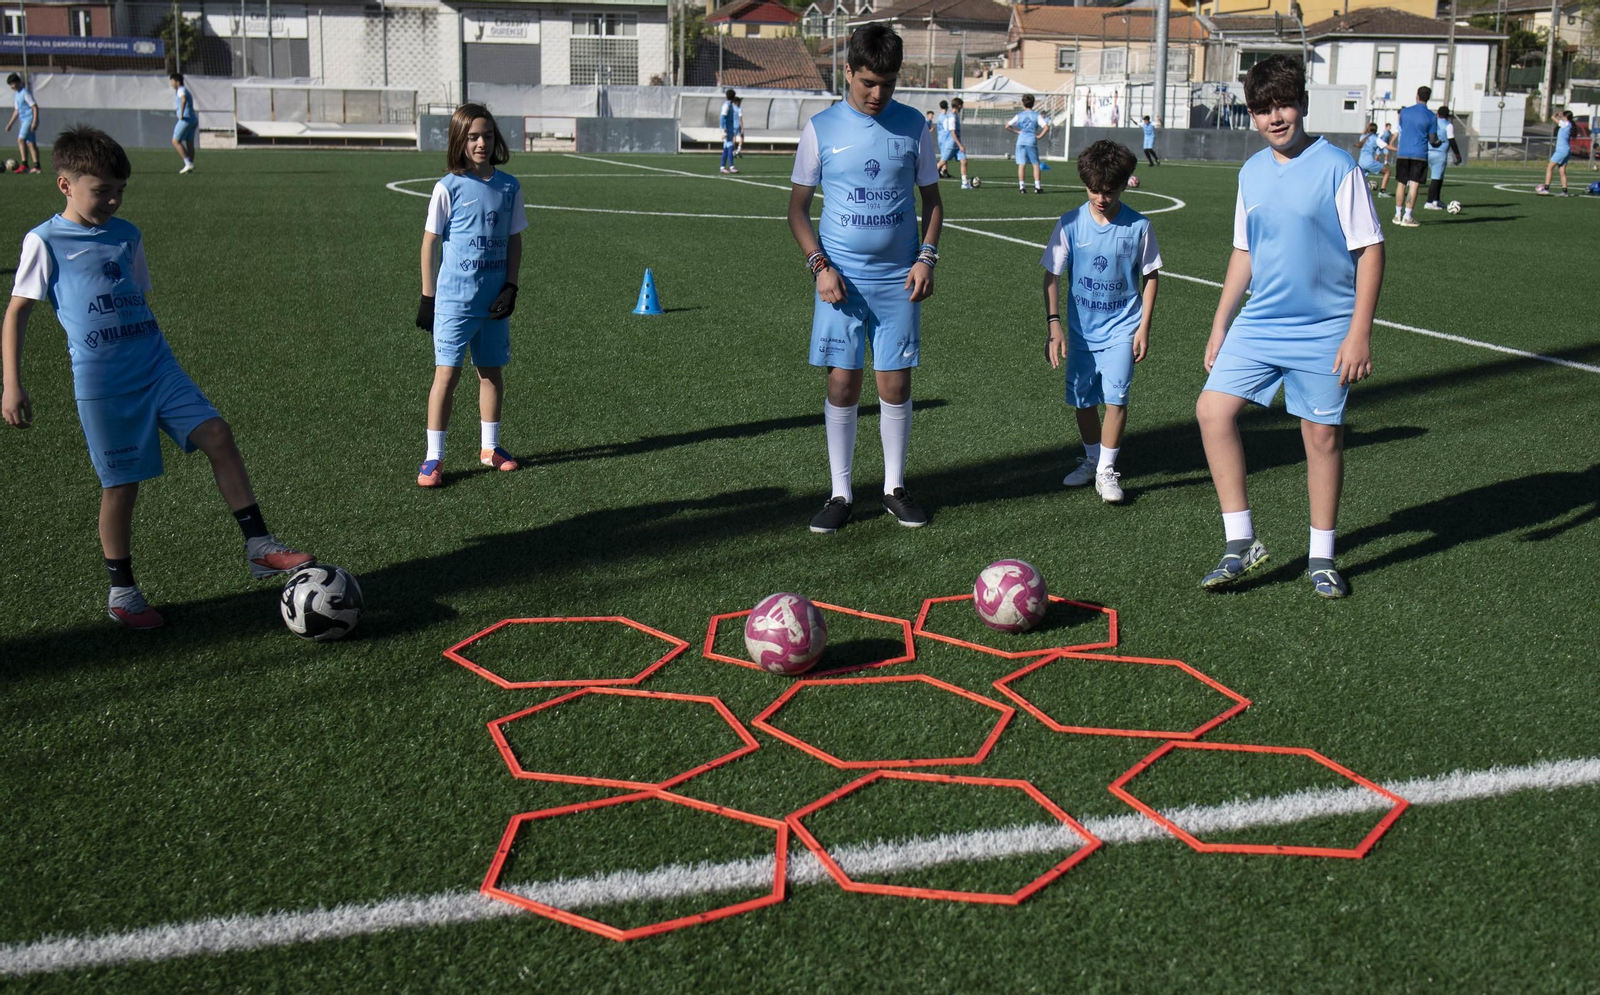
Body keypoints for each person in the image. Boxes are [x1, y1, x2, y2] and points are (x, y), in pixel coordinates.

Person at [1, 126, 314, 629]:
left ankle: (259, 544)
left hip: (156, 365)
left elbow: (134, 294)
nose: (113, 199)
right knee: (122, 486)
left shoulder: (127, 234)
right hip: (104, 385)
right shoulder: (45, 240)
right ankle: (122, 591)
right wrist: (11, 384)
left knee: (218, 434)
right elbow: (16, 312)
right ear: (65, 185)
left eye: (119, 190)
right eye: (101, 190)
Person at [1196, 55, 1385, 599]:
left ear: (1301, 103)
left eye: (1281, 105)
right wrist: (1220, 321)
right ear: (1251, 116)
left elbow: (1371, 249)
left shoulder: (1337, 166)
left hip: (1327, 328)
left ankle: (1322, 556)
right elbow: (1244, 250)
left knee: (1321, 438)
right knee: (1212, 411)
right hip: (1261, 321)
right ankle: (1241, 541)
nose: (1274, 118)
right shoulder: (1250, 172)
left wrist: (1359, 332)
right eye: (1261, 109)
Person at [786, 23, 942, 533]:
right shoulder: (821, 129)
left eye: (889, 84)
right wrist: (820, 267)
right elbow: (798, 211)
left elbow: (933, 203)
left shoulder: (915, 125)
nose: (878, 94)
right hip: (841, 280)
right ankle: (840, 492)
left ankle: (895, 488)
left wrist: (926, 258)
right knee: (842, 381)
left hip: (899, 279)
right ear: (847, 71)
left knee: (894, 384)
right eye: (868, 83)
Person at [1041, 141, 1162, 504]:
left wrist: (1143, 326)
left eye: (1109, 191)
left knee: (1117, 396)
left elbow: (1152, 275)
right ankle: (1093, 458)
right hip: (1080, 332)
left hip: (1123, 327)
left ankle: (1107, 471)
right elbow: (1051, 275)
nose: (1101, 198)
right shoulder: (1070, 223)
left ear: (1125, 184)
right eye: (1094, 190)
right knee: (1083, 400)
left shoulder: (1139, 227)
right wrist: (1054, 325)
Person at [414, 104, 527, 488]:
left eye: (488, 136)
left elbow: (514, 240)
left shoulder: (509, 186)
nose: (481, 143)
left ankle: (490, 448)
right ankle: (433, 457)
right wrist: (428, 298)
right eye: (473, 136)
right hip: (454, 302)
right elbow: (429, 244)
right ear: (459, 141)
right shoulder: (448, 187)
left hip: (494, 301)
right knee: (446, 375)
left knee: (491, 373)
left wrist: (511, 286)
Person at [1390, 86, 1438, 227]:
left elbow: (1403, 128)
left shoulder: (1404, 112)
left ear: (1417, 96)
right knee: (1414, 184)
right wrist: (1440, 142)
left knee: (1401, 183)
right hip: (1419, 154)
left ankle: (1397, 215)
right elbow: (1433, 139)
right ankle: (1407, 216)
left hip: (1403, 152)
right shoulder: (1431, 116)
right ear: (1428, 98)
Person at [1007, 94, 1050, 193]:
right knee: (1035, 164)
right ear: (1033, 103)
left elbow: (1007, 126)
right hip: (1031, 141)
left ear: (1023, 103)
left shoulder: (1019, 115)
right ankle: (1037, 187)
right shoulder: (1036, 115)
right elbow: (1046, 127)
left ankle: (1022, 187)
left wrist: (1017, 132)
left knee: (1022, 164)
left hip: (1021, 141)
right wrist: (1039, 136)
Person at [1422, 105, 1462, 209]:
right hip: (1439, 154)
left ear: (1437, 114)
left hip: (1428, 152)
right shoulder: (1448, 125)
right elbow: (1452, 141)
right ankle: (1429, 202)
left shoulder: (1431, 123)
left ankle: (1436, 200)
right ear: (1448, 115)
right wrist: (1457, 155)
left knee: (1439, 177)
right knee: (1436, 179)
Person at [5, 73, 41, 173]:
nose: (12, 86)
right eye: (10, 84)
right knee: (30, 143)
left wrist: (34, 121)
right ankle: (37, 167)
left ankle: (24, 164)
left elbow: (34, 107)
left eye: (13, 83)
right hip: (24, 120)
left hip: (29, 119)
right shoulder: (17, 95)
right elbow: (17, 111)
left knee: (20, 140)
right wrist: (10, 124)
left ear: (18, 82)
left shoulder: (25, 93)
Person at [1538, 110, 1575, 196]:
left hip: (1561, 150)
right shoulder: (1569, 124)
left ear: (1565, 117)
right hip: (1566, 150)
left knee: (1549, 168)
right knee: (1562, 171)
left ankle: (1546, 189)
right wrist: (1562, 115)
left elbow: (1552, 117)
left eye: (1563, 116)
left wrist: (1557, 114)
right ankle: (1564, 191)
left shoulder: (1565, 124)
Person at [938, 97, 970, 189]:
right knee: (941, 163)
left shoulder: (955, 116)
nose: (962, 107)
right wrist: (960, 145)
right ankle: (927, 180)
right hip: (951, 144)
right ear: (959, 105)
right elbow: (952, 132)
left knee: (964, 161)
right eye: (961, 105)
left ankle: (964, 183)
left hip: (957, 144)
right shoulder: (952, 117)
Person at [169, 73, 198, 175]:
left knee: (175, 141)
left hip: (185, 119)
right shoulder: (184, 89)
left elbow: (183, 99)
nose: (171, 83)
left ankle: (188, 163)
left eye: (172, 81)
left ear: (177, 82)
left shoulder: (181, 89)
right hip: (193, 118)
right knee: (189, 142)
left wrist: (181, 113)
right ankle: (190, 165)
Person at [1355, 122, 1387, 191]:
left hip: (1360, 162)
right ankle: (1382, 191)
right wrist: (1398, 149)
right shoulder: (1376, 138)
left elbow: (1363, 132)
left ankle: (1358, 193)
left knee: (1361, 180)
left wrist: (1367, 127)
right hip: (1369, 161)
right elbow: (1386, 146)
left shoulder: (1362, 137)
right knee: (1387, 171)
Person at [719, 88, 739, 174]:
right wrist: (723, 130)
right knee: (730, 147)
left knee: (726, 149)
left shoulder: (730, 105)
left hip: (729, 129)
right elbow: (722, 118)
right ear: (734, 97)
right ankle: (731, 167)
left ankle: (722, 167)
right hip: (726, 130)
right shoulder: (726, 106)